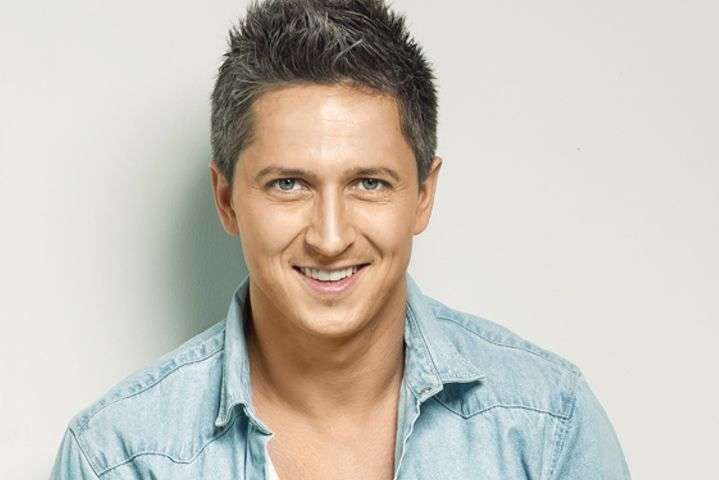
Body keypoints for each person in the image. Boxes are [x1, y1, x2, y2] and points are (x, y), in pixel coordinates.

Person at [50, 0, 631, 478]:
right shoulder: (118, 458)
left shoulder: (547, 426)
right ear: (226, 200)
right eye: (288, 184)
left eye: (369, 183)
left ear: (423, 195)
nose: (330, 239)